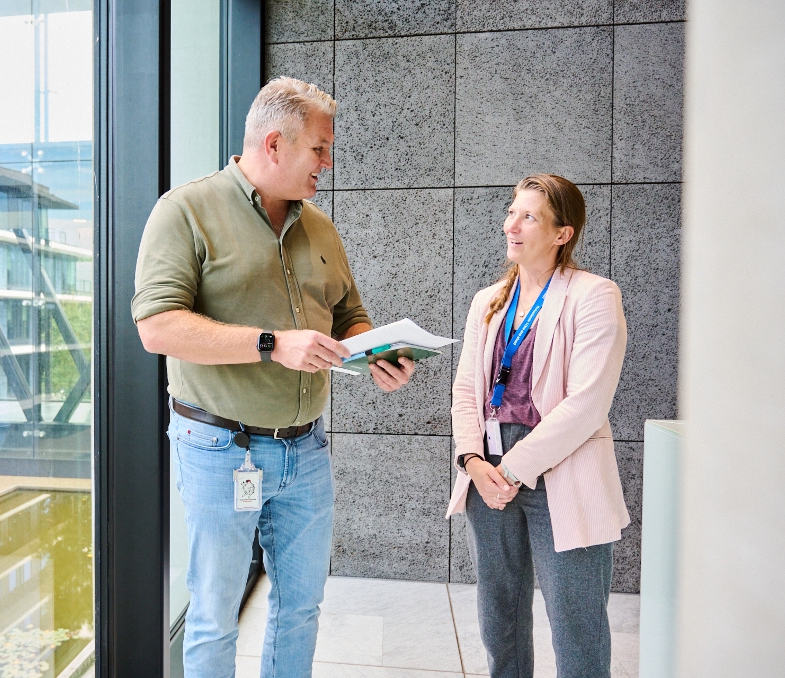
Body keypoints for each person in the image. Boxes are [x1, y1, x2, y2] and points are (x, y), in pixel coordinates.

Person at [132, 77, 415, 678]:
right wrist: (271, 345)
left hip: (305, 450)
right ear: (274, 143)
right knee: (213, 614)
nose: (328, 162)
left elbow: (347, 314)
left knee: (302, 607)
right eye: (319, 148)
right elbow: (157, 327)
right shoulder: (184, 210)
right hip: (217, 447)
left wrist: (379, 353)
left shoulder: (322, 228)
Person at [447, 174, 629, 678]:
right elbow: (467, 390)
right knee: (498, 613)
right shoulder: (487, 301)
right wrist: (474, 460)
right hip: (487, 464)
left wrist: (514, 468)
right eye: (511, 212)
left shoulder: (594, 295)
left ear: (562, 233)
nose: (512, 225)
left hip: (559, 464)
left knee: (576, 620)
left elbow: (587, 403)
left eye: (528, 216)